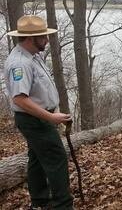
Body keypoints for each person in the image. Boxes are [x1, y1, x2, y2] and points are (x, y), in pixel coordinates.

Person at [3, 15, 73, 209]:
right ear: (29, 38)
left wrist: (54, 110)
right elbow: (20, 99)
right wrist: (51, 117)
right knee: (57, 157)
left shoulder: (33, 56)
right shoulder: (19, 63)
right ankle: (62, 205)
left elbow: (39, 90)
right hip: (34, 121)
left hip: (41, 118)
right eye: (42, 36)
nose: (46, 39)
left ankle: (40, 202)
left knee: (37, 158)